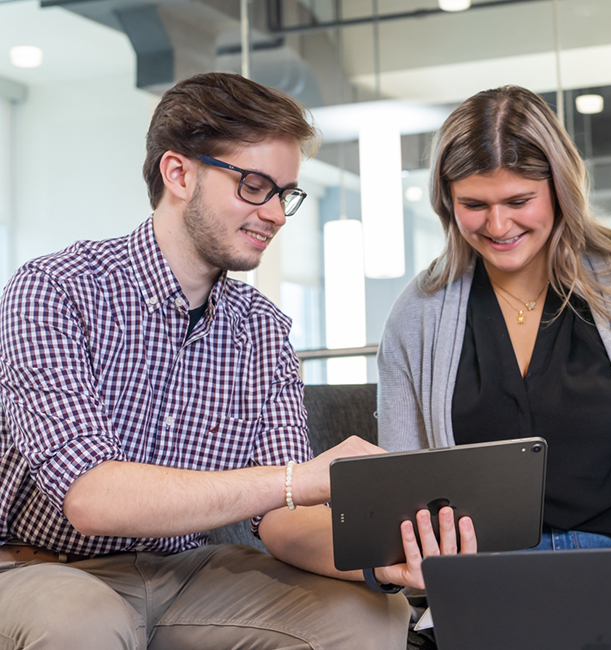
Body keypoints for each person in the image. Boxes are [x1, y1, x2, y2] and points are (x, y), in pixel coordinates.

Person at [0, 72, 468, 649]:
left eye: (285, 193)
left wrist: (382, 564)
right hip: (39, 566)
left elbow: (285, 518)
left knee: (371, 615)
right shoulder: (55, 290)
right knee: (79, 621)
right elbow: (91, 498)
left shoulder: (263, 330)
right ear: (178, 173)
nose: (275, 214)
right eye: (254, 185)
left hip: (183, 574)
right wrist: (296, 479)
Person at [377, 85, 611, 556]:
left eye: (519, 201)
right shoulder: (417, 315)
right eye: (475, 205)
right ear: (447, 202)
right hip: (487, 577)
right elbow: (402, 485)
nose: (498, 226)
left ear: (559, 189)